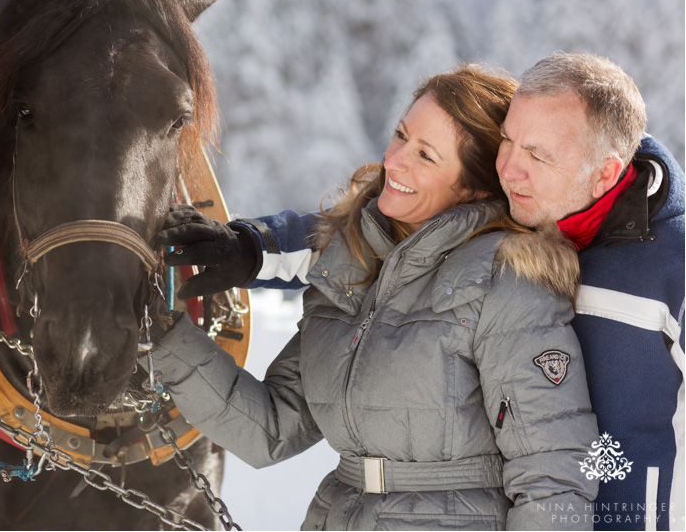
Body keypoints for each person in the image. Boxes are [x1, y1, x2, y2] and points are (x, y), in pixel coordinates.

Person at [162, 53, 684, 531]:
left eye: (427, 155)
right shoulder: (352, 269)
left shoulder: (511, 280)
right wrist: (162, 337)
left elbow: (552, 476)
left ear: (472, 188)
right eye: (400, 135)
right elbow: (272, 427)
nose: (395, 160)